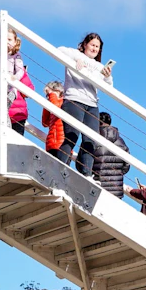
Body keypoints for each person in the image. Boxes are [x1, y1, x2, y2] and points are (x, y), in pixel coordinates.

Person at [55, 33, 114, 173]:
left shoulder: (99, 66)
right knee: (72, 135)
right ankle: (59, 167)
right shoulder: (75, 53)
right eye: (92, 45)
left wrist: (107, 76)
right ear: (85, 45)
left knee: (90, 140)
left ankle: (86, 173)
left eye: (97, 47)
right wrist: (76, 59)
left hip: (92, 104)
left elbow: (109, 87)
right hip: (74, 99)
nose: (94, 49)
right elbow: (59, 49)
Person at [0, 30, 34, 135]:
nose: (6, 42)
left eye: (9, 39)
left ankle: (5, 132)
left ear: (16, 42)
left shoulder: (16, 58)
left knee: (15, 139)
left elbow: (28, 89)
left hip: (16, 111)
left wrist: (15, 78)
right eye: (3, 39)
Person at [91, 111, 129, 197]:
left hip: (96, 185)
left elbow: (82, 160)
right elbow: (127, 164)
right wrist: (116, 174)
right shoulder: (121, 141)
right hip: (116, 189)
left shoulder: (92, 138)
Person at [42, 82, 66, 156]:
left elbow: (56, 109)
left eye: (51, 93)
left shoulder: (64, 103)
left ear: (58, 91)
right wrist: (47, 105)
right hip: (51, 145)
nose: (49, 96)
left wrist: (52, 95)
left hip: (61, 144)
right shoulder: (52, 102)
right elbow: (45, 122)